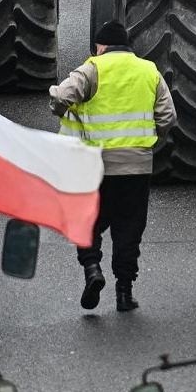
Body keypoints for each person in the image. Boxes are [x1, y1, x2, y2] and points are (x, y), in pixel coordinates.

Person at [49, 21, 176, 312]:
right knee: (129, 229)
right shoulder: (149, 71)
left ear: (102, 46)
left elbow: (60, 97)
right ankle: (124, 292)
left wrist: (62, 111)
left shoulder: (92, 69)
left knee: (88, 222)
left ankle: (92, 269)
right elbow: (168, 117)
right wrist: (147, 144)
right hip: (137, 168)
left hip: (96, 167)